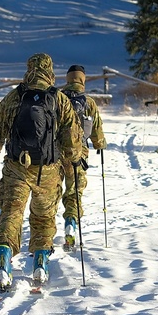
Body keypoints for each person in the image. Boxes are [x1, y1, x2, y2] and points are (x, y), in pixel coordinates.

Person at [0, 53, 86, 290]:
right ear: (50, 71)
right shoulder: (59, 99)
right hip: (48, 170)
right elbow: (72, 140)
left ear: (29, 69)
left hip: (16, 168)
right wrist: (74, 158)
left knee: (11, 213)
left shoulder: (15, 96)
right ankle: (40, 262)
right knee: (43, 217)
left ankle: (3, 259)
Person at [58, 65, 107, 251]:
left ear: (68, 78)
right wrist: (99, 144)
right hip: (79, 155)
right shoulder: (89, 102)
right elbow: (97, 131)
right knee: (74, 192)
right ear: (83, 80)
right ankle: (71, 224)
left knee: (51, 193)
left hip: (55, 154)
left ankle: (45, 233)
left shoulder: (57, 98)